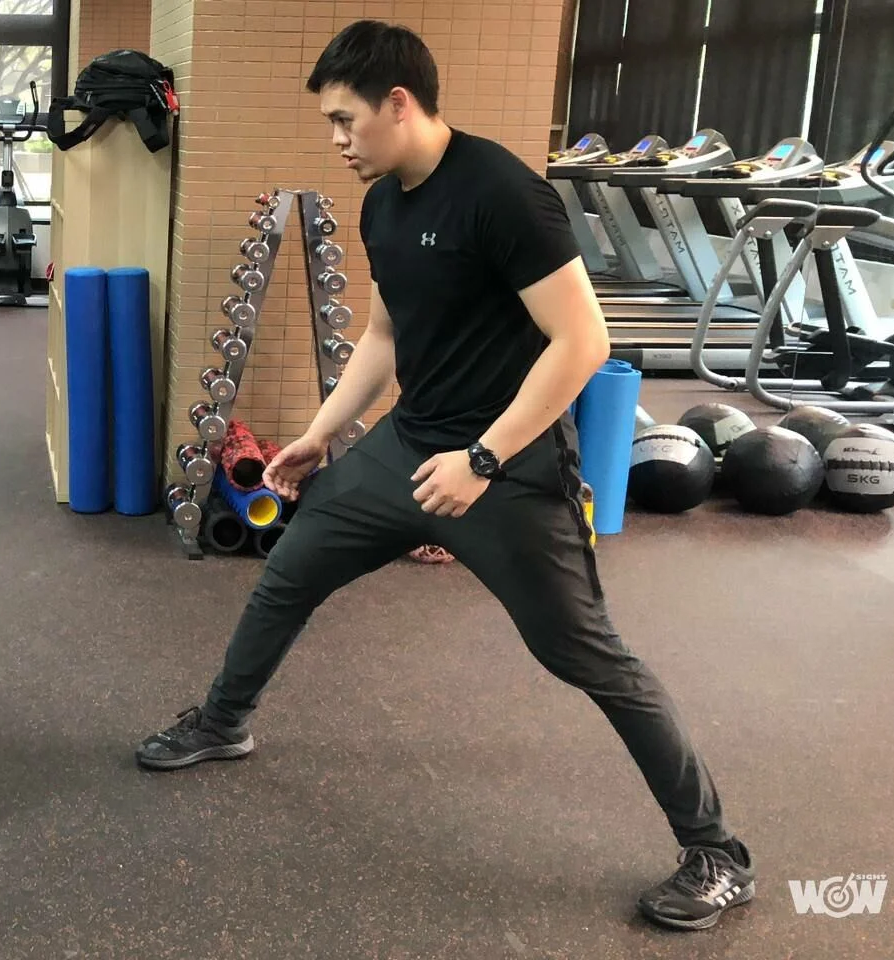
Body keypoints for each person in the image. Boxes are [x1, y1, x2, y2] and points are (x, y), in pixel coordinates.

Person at [134, 21, 754, 932]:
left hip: (508, 469)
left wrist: (485, 458)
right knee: (288, 573)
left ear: (399, 103)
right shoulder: (384, 203)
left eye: (346, 120)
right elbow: (383, 339)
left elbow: (584, 342)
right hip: (407, 447)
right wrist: (317, 434)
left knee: (586, 656)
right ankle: (226, 721)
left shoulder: (503, 194)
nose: (336, 140)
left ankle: (715, 853)